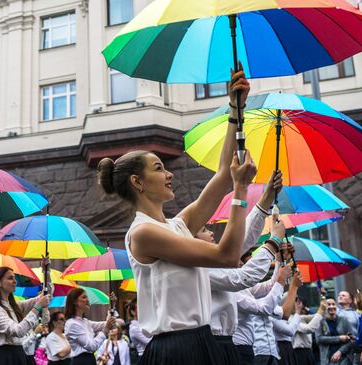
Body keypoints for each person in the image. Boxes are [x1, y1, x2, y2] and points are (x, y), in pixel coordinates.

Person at [97, 65, 255, 365]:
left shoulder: (176, 225)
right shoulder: (143, 234)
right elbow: (228, 255)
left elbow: (222, 176)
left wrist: (235, 109)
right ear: (137, 182)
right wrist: (242, 189)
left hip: (201, 341)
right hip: (177, 351)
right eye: (158, 168)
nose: (169, 174)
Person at [206, 171, 283, 364]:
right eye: (203, 230)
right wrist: (273, 241)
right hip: (216, 344)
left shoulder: (211, 260)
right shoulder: (201, 267)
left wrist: (265, 200)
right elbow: (244, 278)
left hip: (228, 343)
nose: (211, 233)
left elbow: (239, 241)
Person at [0, 266, 50, 365]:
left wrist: (46, 271)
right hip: (2, 358)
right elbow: (18, 331)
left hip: (18, 355)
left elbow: (47, 295)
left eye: (14, 278)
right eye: (10, 278)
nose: (15, 281)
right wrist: (38, 306)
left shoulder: (14, 305)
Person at [231, 254, 288, 365]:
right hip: (240, 348)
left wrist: (279, 260)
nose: (242, 264)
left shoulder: (243, 286)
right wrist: (282, 281)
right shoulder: (231, 289)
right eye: (240, 261)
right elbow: (265, 308)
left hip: (251, 348)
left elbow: (269, 286)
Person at [64, 287, 115, 365]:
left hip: (89, 360)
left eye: (87, 297)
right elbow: (91, 346)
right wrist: (106, 330)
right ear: (74, 301)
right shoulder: (72, 324)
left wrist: (112, 305)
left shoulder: (85, 321)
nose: (87, 300)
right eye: (84, 297)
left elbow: (108, 324)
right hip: (81, 361)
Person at [316, 298, 356, 365]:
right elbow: (318, 339)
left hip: (344, 358)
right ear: (323, 307)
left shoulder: (344, 320)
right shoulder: (320, 321)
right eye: (328, 304)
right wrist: (339, 338)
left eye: (333, 304)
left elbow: (352, 340)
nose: (332, 306)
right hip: (327, 359)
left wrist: (340, 351)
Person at [291, 298, 326, 365]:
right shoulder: (290, 319)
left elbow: (319, 316)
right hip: (299, 354)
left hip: (308, 352)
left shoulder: (299, 317)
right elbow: (309, 328)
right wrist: (321, 310)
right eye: (296, 302)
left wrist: (323, 301)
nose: (299, 304)